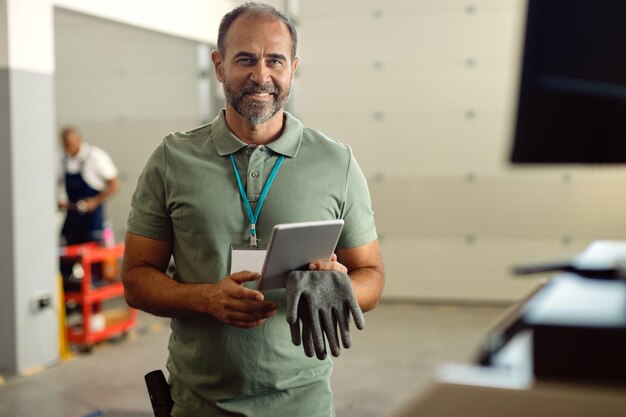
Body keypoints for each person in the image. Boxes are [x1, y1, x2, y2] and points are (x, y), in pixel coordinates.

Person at [122, 3, 385, 417]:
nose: (261, 75)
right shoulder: (173, 158)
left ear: (292, 68)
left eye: (274, 60)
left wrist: (341, 286)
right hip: (197, 405)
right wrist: (205, 298)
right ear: (219, 65)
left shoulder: (336, 162)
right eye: (244, 59)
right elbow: (136, 280)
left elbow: (371, 273)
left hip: (303, 405)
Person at [58, 126, 120, 245]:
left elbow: (114, 185)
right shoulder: (60, 159)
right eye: (66, 145)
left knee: (93, 258)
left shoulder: (96, 156)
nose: (69, 148)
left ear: (79, 140)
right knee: (66, 256)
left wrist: (95, 201)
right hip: (72, 217)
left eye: (71, 144)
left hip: (92, 219)